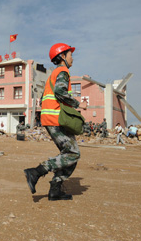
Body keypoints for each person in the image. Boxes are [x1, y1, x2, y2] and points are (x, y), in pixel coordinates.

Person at [24, 43, 87, 201]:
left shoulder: (55, 73)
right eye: (70, 55)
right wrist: (78, 104)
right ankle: (36, 171)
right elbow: (60, 92)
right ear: (62, 57)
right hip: (55, 119)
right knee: (73, 153)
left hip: (51, 119)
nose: (72, 58)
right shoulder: (63, 71)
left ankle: (55, 190)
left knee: (69, 156)